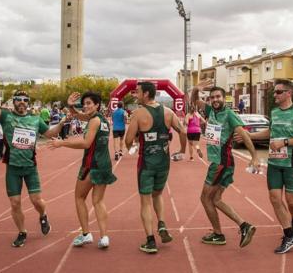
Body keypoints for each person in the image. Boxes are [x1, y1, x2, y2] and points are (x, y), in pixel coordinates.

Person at [0, 76, 68, 248]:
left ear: (28, 103)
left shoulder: (36, 119)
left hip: (30, 167)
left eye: (25, 100)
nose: (22, 102)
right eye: (18, 100)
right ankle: (22, 232)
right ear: (14, 102)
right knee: (15, 202)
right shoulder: (6, 116)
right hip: (13, 168)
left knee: (36, 200)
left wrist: (61, 123)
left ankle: (43, 215)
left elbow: (50, 134)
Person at [236, 79, 293, 253]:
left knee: (291, 201)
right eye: (274, 92)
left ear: (288, 93)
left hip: (292, 162)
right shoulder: (275, 112)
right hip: (274, 163)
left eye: (278, 92)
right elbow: (270, 132)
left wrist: (285, 142)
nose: (274, 95)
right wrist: (249, 136)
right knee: (275, 198)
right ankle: (289, 234)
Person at [191, 79, 259, 248]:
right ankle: (244, 226)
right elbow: (193, 101)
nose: (215, 99)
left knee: (205, 198)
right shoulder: (210, 111)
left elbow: (243, 134)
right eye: (212, 97)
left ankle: (218, 234)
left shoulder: (229, 114)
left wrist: (254, 156)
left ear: (224, 98)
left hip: (222, 162)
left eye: (218, 96)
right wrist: (196, 89)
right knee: (215, 199)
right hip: (219, 162)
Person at [124, 81, 187, 254]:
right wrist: (182, 150)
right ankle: (161, 224)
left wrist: (131, 146)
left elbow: (128, 139)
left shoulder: (138, 114)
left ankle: (150, 241)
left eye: (137, 92)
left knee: (145, 201)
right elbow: (183, 131)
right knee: (158, 194)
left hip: (146, 163)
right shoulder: (168, 112)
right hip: (164, 162)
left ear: (145, 94)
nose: (135, 95)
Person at [49, 92, 117, 248]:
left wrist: (62, 143)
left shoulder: (94, 121)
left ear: (97, 105)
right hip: (104, 164)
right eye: (84, 103)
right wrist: (71, 106)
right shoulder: (101, 119)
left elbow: (86, 143)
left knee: (79, 197)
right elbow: (79, 116)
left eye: (88, 103)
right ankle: (104, 237)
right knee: (98, 201)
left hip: (91, 165)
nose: (85, 106)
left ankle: (86, 234)